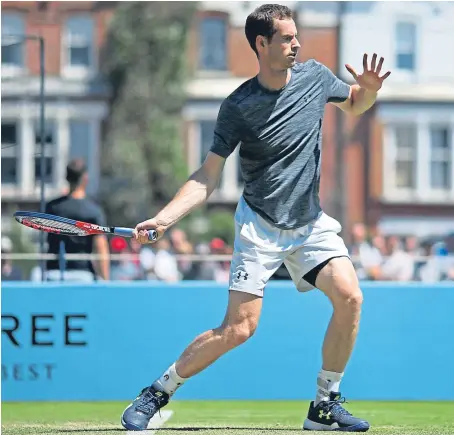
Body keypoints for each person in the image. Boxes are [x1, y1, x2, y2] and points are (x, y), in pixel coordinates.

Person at [122, 4, 391, 432]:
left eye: (296, 36)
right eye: (286, 38)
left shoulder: (316, 77)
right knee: (239, 329)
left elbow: (356, 105)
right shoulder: (238, 106)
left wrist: (370, 91)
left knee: (351, 296)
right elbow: (207, 175)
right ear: (261, 44)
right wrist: (165, 218)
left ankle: (325, 404)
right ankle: (156, 393)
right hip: (260, 226)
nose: (296, 44)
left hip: (309, 222)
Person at [45, 158, 110, 281]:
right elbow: (101, 248)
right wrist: (106, 279)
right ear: (85, 178)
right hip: (83, 274)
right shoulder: (93, 210)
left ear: (66, 178)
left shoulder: (53, 207)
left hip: (54, 273)